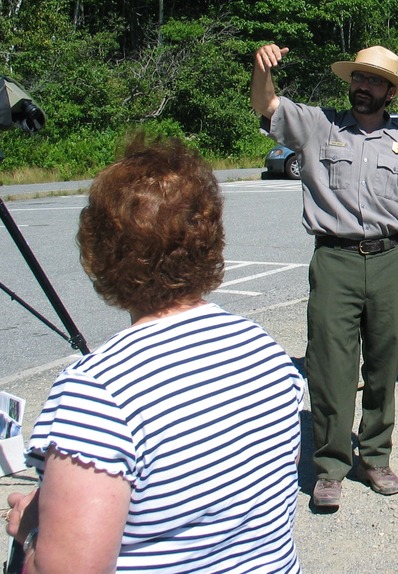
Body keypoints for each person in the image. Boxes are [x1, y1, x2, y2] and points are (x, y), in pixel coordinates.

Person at [4, 135, 305, 573]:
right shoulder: (266, 352)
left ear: (101, 252)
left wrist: (31, 531)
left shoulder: (98, 393)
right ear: (210, 239)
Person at [251, 43, 398, 509]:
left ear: (390, 92)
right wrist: (261, 70)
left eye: (374, 81)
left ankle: (374, 456)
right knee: (331, 367)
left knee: (383, 365)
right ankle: (331, 466)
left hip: (388, 261)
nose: (363, 86)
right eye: (358, 78)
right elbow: (267, 105)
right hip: (334, 260)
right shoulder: (320, 126)